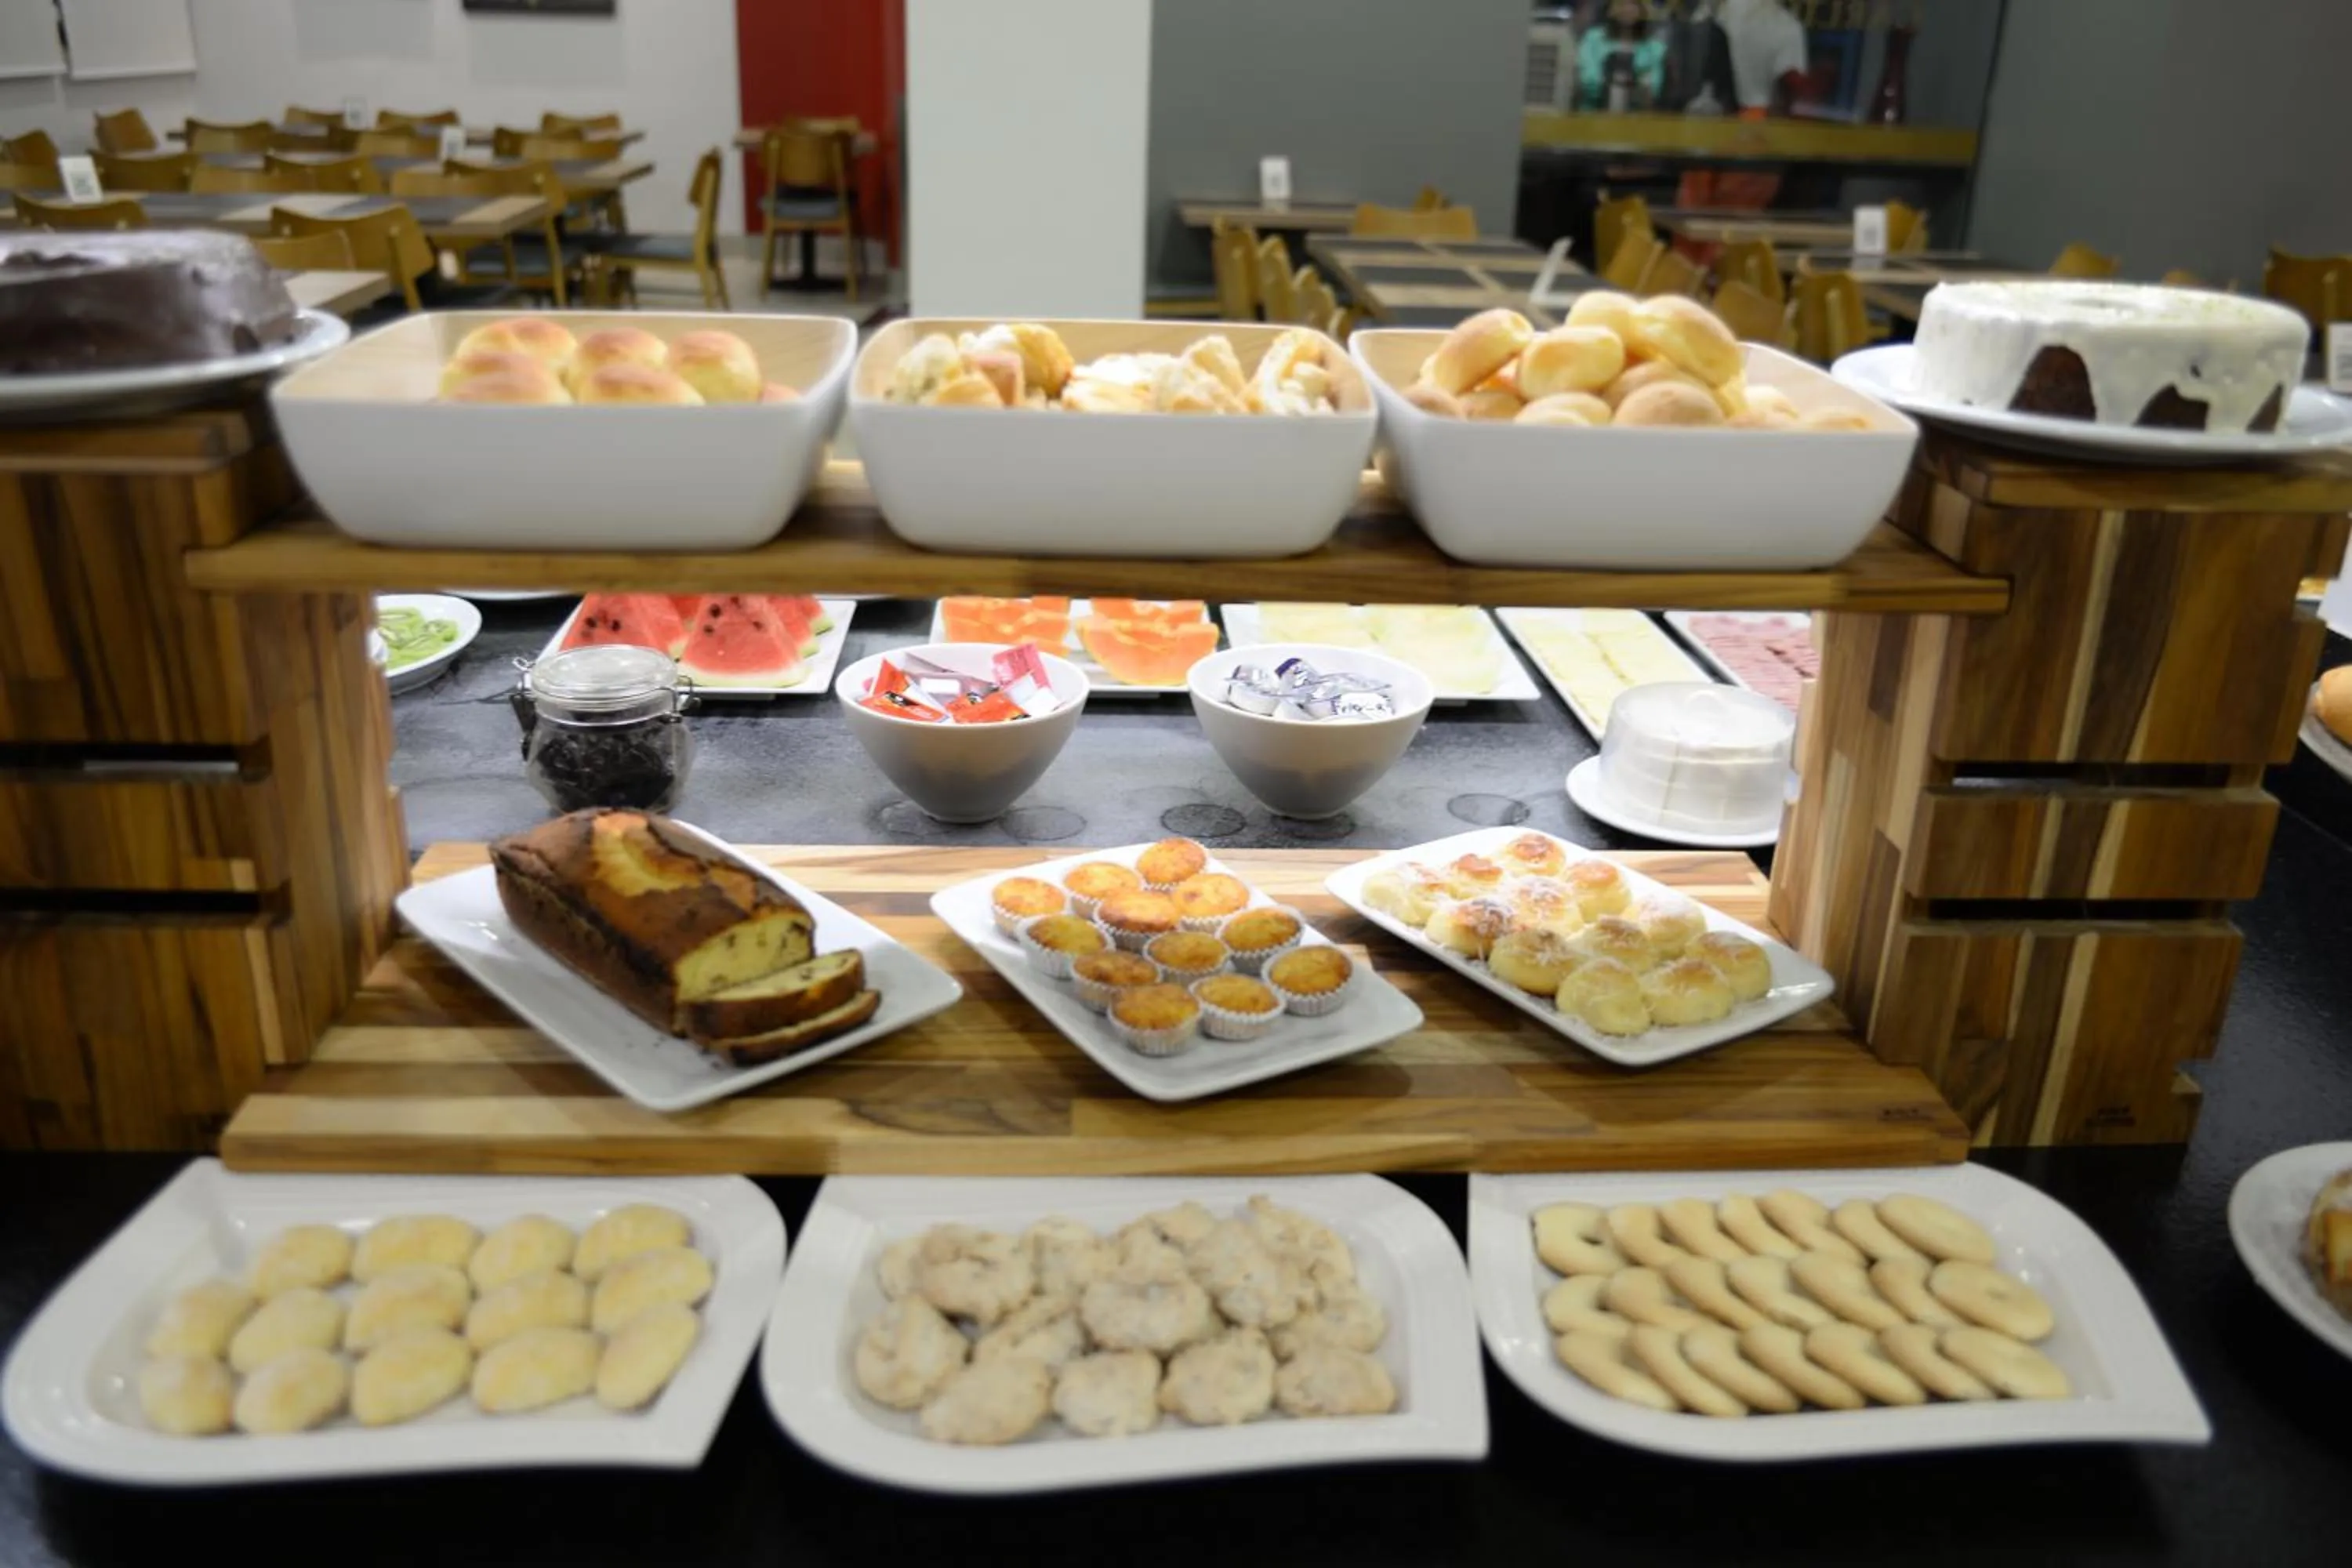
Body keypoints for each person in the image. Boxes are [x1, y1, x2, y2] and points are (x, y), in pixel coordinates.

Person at [1711, 0, 1809, 115]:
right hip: (1759, 119)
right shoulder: (1787, 26)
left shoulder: (1716, 15)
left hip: (1709, 119)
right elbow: (1793, 84)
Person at [1577, 1, 1668, 112]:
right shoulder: (1593, 39)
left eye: (1634, 4)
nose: (1627, 9)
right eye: (1621, 4)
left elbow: (1654, 87)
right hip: (1594, 112)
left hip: (1638, 115)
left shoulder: (1654, 48)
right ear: (1610, 10)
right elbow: (1589, 78)